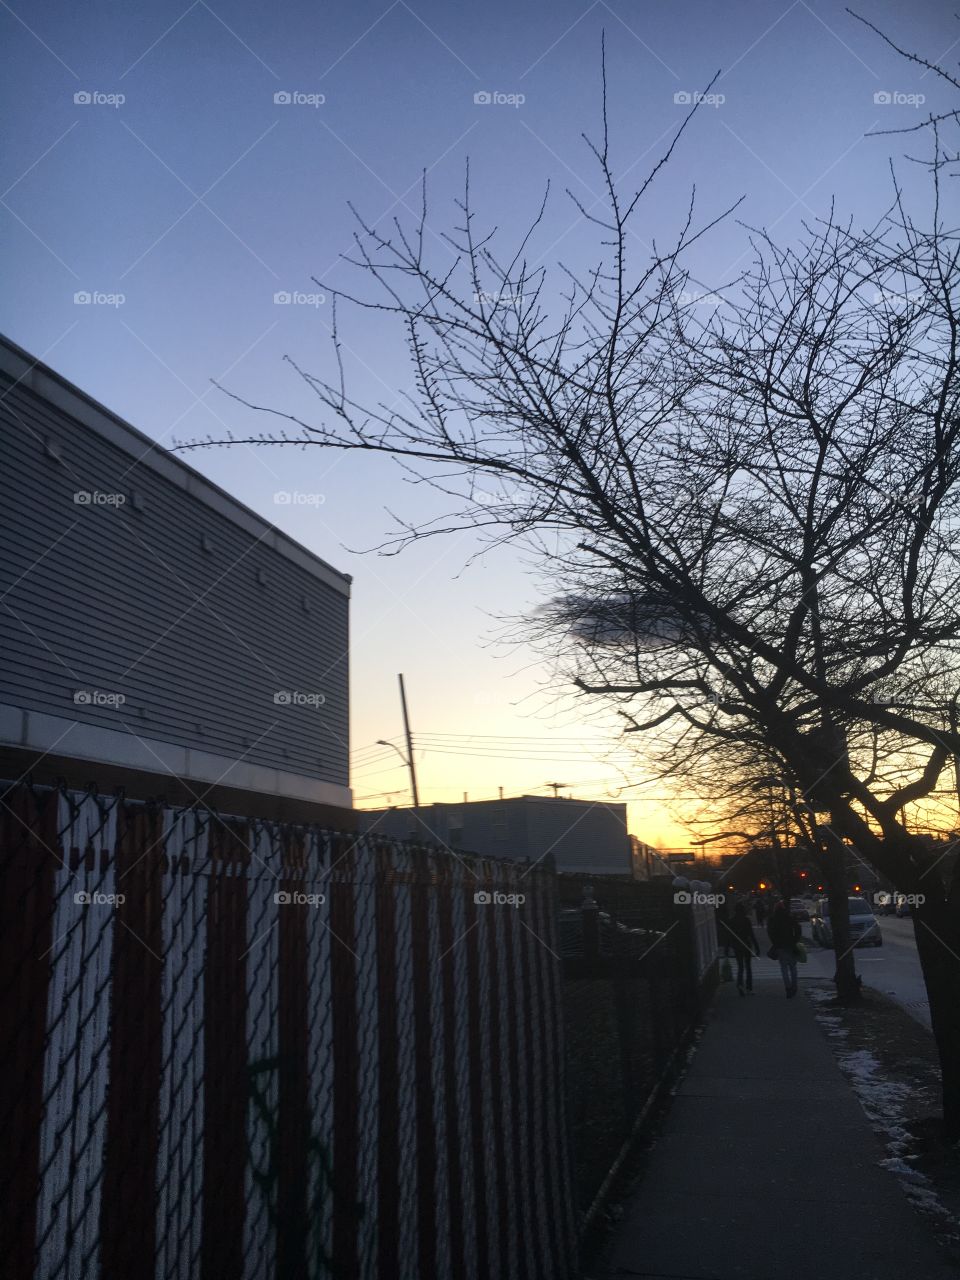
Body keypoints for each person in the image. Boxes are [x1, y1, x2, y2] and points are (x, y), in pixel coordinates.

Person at [767, 899, 802, 998]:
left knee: (784, 968)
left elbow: (770, 932)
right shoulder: (789, 917)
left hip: (780, 946)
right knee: (793, 967)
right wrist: (795, 939)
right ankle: (794, 987)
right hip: (790, 945)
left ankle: (788, 988)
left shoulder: (773, 919)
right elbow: (798, 928)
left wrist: (774, 943)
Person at [728, 901, 759, 995]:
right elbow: (751, 934)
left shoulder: (732, 921)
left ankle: (740, 984)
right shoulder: (746, 920)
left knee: (740, 966)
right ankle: (749, 988)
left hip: (737, 946)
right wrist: (757, 947)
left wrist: (727, 947)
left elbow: (729, 935)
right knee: (748, 966)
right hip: (746, 944)